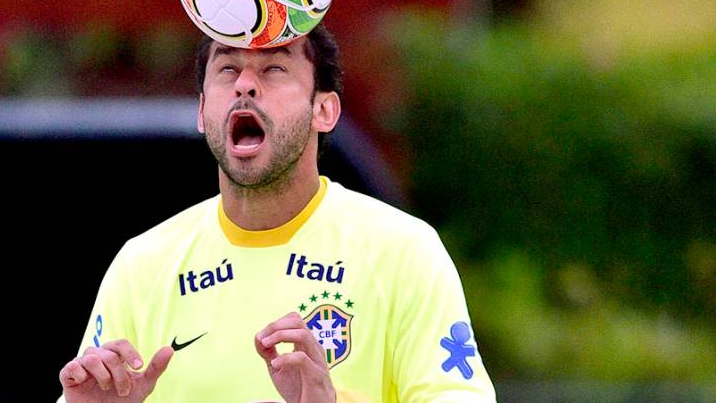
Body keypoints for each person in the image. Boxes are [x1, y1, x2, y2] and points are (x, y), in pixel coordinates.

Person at [58, 24, 496, 402]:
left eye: (274, 68)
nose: (245, 84)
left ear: (323, 110)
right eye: (227, 68)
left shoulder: (403, 252)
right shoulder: (142, 266)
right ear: (201, 110)